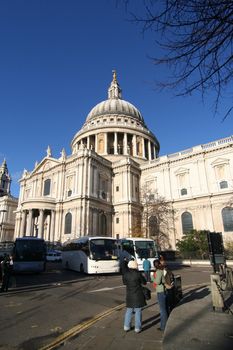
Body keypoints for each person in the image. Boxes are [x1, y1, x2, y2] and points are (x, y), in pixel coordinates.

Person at [122, 259, 147, 333]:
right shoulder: (138, 274)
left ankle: (126, 327)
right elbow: (144, 282)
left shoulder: (125, 274)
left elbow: (124, 283)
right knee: (138, 311)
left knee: (129, 311)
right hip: (138, 295)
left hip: (129, 295)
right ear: (136, 266)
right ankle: (137, 328)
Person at [152, 259, 168, 331]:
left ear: (154, 265)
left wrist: (152, 277)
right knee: (164, 309)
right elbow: (163, 281)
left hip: (160, 292)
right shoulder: (161, 270)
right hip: (163, 291)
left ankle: (163, 326)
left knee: (162, 310)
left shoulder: (158, 272)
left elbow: (157, 282)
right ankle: (165, 325)